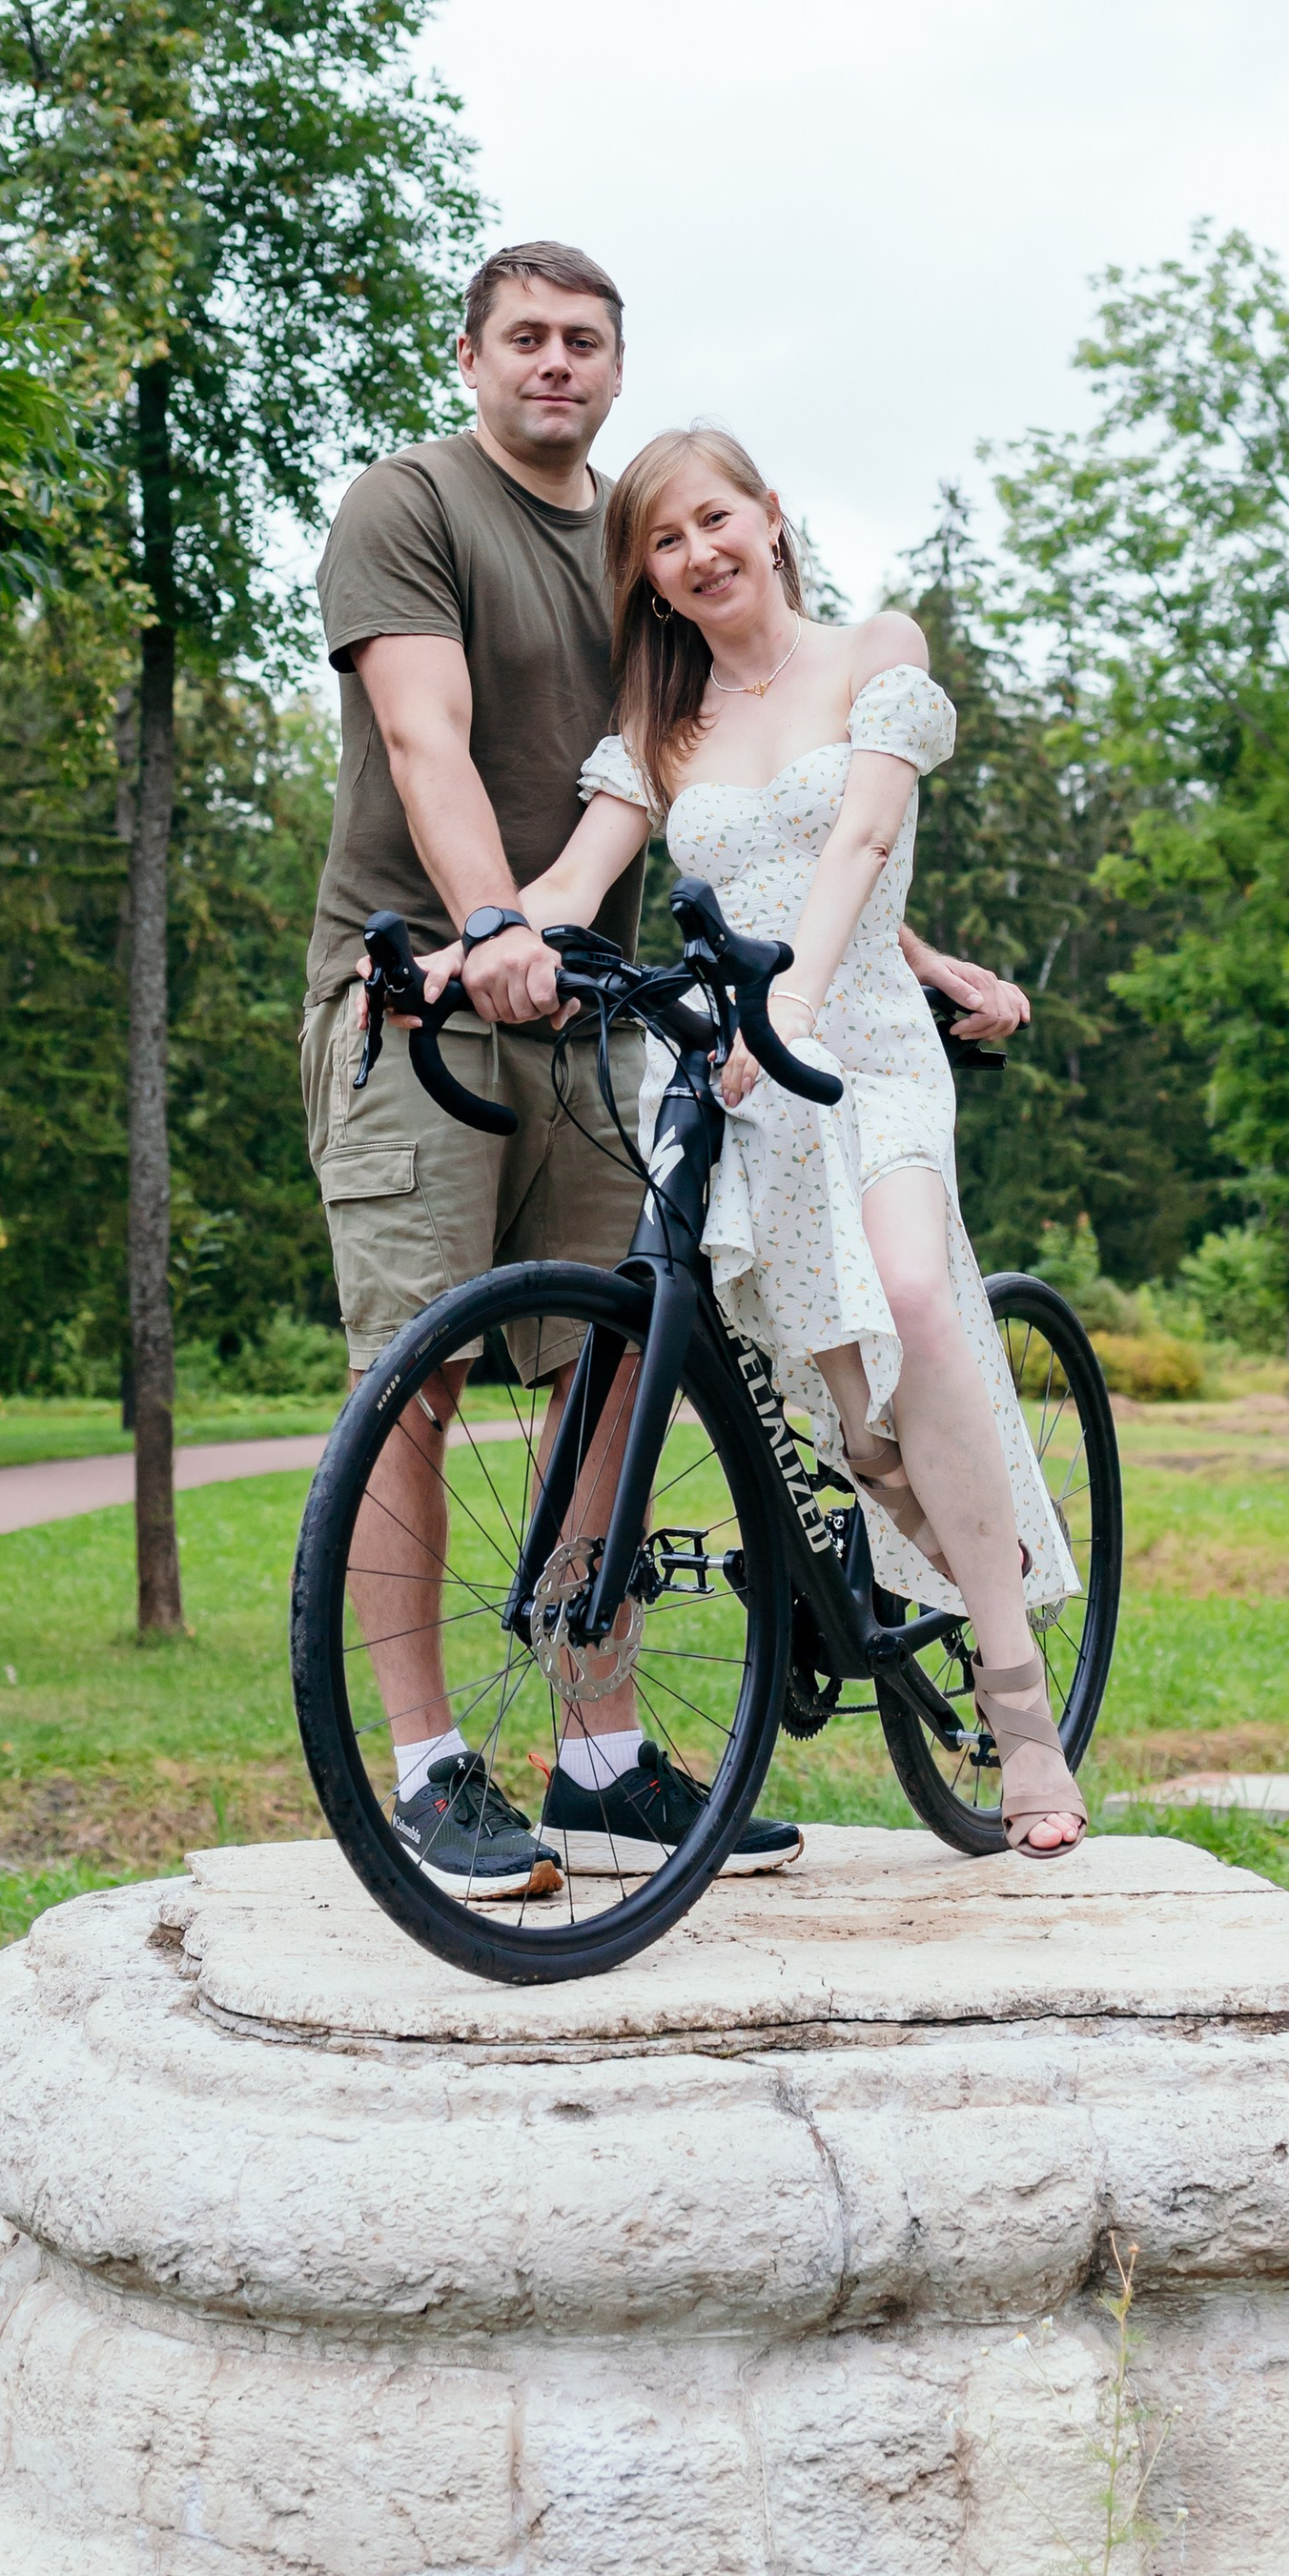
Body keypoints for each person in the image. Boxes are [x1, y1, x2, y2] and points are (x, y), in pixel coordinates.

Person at [303, 248, 1033, 1891]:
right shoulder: (410, 504)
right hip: (435, 993)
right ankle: (429, 1766)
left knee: (610, 1365)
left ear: (619, 372)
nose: (555, 366)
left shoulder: (642, 537)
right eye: (527, 340)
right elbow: (425, 737)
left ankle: (604, 1755)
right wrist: (493, 924)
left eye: (585, 343)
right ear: (474, 355)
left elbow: (764, 801)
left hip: (599, 1009)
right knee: (414, 1374)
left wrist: (901, 952)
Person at [510, 421, 1087, 1856]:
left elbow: (856, 841)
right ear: (646, 577)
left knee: (910, 1299)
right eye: (665, 541)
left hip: (859, 1050)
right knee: (845, 1414)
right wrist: (472, 951)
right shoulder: (664, 733)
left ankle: (1021, 1719)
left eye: (717, 520)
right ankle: (927, 1511)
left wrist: (815, 1001)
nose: (700, 553)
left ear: (771, 518)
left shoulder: (872, 651)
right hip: (727, 1071)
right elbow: (575, 880)